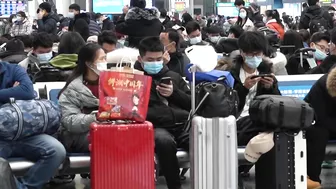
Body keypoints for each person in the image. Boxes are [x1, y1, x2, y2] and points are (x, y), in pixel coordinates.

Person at [134, 36, 190, 189]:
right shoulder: (134, 81)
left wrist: (174, 93)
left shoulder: (173, 77)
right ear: (140, 59)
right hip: (155, 126)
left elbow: (191, 103)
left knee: (201, 139)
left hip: (180, 124)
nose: (155, 63)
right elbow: (136, 111)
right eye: (150, 60)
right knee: (164, 141)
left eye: (158, 59)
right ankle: (174, 186)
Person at [0, 61, 66, 189]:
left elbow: (27, 91)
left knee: (56, 150)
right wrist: (12, 92)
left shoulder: (14, 69)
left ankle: (27, 186)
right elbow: (21, 93)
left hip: (25, 132)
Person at [230, 31, 281, 146]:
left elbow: (277, 101)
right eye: (251, 54)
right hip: (238, 121)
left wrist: (270, 88)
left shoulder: (266, 72)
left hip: (260, 119)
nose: (255, 58)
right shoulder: (231, 74)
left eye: (258, 54)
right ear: (242, 53)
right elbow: (228, 105)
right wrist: (244, 88)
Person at [58, 43, 106, 153]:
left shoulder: (110, 83)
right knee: (108, 140)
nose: (105, 63)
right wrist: (95, 118)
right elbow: (69, 121)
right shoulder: (73, 89)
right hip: (79, 135)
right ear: (89, 64)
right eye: (102, 59)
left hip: (106, 130)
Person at [305, 66, 336, 189]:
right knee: (318, 134)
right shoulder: (321, 86)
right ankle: (312, 178)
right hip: (316, 123)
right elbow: (320, 118)